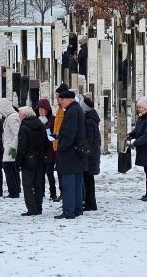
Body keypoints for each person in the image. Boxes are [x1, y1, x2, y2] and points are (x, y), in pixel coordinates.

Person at [54, 90, 86, 219]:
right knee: (77, 181)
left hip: (69, 153)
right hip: (77, 152)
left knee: (69, 183)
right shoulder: (77, 109)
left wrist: (62, 147)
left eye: (61, 100)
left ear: (68, 99)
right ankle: (77, 208)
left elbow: (70, 133)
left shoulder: (71, 112)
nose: (60, 103)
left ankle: (69, 211)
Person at [15, 106, 46, 216]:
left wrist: (18, 162)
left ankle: (32, 209)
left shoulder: (24, 128)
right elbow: (46, 143)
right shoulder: (41, 125)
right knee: (38, 184)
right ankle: (39, 207)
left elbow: (22, 147)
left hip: (28, 160)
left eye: (19, 114)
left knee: (28, 186)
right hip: (40, 159)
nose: (18, 116)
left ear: (24, 115)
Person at [0, 98, 20, 198]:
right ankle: (15, 190)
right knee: (11, 169)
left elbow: (17, 134)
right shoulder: (10, 117)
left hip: (11, 148)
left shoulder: (13, 117)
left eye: (0, 109)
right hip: (9, 147)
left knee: (9, 168)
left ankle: (13, 192)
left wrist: (12, 148)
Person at [81, 95, 101, 211]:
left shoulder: (89, 121)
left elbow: (89, 139)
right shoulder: (91, 119)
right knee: (88, 179)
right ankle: (89, 203)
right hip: (92, 154)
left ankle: (91, 204)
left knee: (88, 180)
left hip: (90, 155)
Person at [36, 98, 58, 202]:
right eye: (40, 109)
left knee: (49, 173)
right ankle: (41, 192)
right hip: (41, 150)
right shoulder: (37, 119)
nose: (41, 111)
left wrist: (44, 127)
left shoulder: (52, 119)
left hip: (50, 150)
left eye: (43, 109)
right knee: (41, 173)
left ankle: (53, 193)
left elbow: (52, 135)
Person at [52, 84, 69, 199]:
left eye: (58, 96)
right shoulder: (58, 108)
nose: (56, 98)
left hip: (62, 144)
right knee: (59, 171)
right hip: (56, 143)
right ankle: (62, 192)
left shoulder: (65, 110)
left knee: (63, 171)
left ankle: (65, 193)